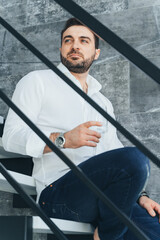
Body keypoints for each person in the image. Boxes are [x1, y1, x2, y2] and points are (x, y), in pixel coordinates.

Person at [2, 18, 160, 240]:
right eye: (69, 40)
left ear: (96, 53)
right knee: (136, 158)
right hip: (57, 193)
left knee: (155, 230)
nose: (74, 45)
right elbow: (10, 138)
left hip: (102, 195)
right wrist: (63, 139)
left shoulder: (102, 102)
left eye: (83, 40)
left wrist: (140, 195)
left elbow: (113, 152)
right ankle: (105, 236)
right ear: (61, 49)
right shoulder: (37, 81)